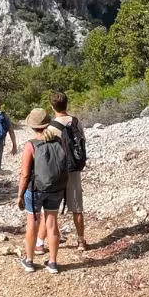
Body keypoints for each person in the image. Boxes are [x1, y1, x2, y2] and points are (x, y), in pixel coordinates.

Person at [17, 108, 68, 275]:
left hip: (35, 189)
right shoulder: (59, 142)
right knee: (52, 223)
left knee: (32, 222)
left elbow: (25, 174)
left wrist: (20, 195)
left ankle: (30, 261)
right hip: (56, 188)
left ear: (32, 126)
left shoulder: (30, 145)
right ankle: (53, 263)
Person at [50, 91, 88, 251]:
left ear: (52, 106)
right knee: (77, 206)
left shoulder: (51, 127)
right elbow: (83, 141)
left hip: (59, 170)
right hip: (74, 168)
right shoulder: (76, 122)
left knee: (52, 208)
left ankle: (54, 237)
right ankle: (81, 241)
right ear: (67, 104)